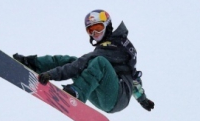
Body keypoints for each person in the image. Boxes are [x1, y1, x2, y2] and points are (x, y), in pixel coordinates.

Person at [13, 9, 154, 114]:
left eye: (98, 28)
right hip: (102, 95)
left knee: (96, 63)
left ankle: (77, 93)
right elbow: (134, 78)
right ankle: (33, 64)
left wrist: (52, 75)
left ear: (108, 26)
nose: (95, 34)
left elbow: (131, 77)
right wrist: (143, 100)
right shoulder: (111, 47)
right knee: (72, 62)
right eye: (91, 31)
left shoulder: (116, 45)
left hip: (117, 97)